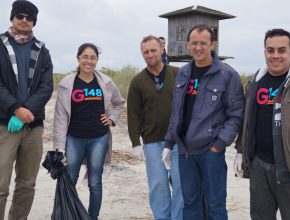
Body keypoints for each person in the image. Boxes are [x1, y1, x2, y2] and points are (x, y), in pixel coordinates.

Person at [163, 24, 244, 220]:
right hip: (185, 151)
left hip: (211, 152)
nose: (198, 47)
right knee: (190, 203)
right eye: (194, 43)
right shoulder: (183, 73)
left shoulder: (227, 74)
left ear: (212, 44)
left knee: (215, 204)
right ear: (188, 45)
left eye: (203, 43)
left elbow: (236, 115)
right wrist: (169, 142)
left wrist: (219, 144)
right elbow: (177, 110)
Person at [53, 43, 125, 220]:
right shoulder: (67, 83)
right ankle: (66, 215)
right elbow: (60, 117)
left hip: (98, 139)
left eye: (93, 57)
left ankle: (93, 217)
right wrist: (59, 147)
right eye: (85, 57)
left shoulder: (106, 82)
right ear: (78, 58)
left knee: (95, 183)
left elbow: (119, 103)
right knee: (69, 180)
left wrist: (111, 119)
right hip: (74, 138)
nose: (89, 61)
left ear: (97, 60)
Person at [0, 0, 53, 219]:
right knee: (1, 185)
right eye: (20, 16)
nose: (24, 20)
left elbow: (46, 85)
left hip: (33, 127)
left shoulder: (42, 50)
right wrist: (14, 109)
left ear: (34, 22)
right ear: (12, 18)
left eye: (28, 17)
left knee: (27, 184)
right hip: (5, 125)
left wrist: (26, 112)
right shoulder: (1, 45)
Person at [234, 29, 290, 220]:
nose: (275, 55)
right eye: (270, 50)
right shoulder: (254, 82)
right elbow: (246, 121)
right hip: (259, 164)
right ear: (264, 51)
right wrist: (240, 151)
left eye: (282, 50)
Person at [127, 35, 183, 220]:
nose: (150, 54)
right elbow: (133, 114)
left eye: (153, 50)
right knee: (158, 185)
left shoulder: (179, 74)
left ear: (162, 50)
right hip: (152, 142)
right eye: (146, 51)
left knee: (181, 185)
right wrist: (135, 142)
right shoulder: (137, 81)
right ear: (142, 54)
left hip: (178, 141)